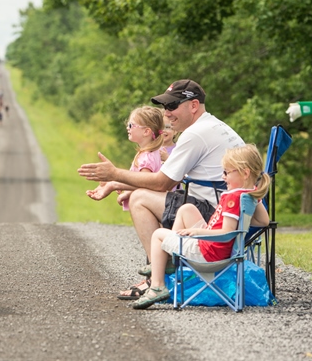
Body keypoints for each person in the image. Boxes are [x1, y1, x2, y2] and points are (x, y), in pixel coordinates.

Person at [77, 79, 267, 300]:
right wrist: (114, 184)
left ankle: (158, 277)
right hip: (234, 213)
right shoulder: (214, 126)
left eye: (172, 106)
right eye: (165, 107)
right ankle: (162, 269)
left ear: (193, 105)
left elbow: (161, 183)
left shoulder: (194, 134)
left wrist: (114, 174)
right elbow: (161, 181)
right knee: (152, 197)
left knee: (140, 199)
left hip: (218, 215)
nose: (166, 114)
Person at [132, 144, 271, 309]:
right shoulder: (246, 195)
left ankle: (157, 286)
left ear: (245, 173)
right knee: (186, 209)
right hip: (216, 248)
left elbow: (226, 232)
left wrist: (197, 231)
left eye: (226, 172)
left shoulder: (233, 197)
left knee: (158, 235)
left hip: (208, 253)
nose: (223, 177)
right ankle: (170, 258)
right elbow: (264, 222)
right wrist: (252, 200)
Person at [86, 106, 165, 210]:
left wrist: (117, 185)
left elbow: (145, 183)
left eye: (131, 125)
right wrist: (113, 182)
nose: (127, 127)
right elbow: (140, 181)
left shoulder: (147, 157)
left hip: (148, 209)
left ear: (146, 131)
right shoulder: (151, 153)